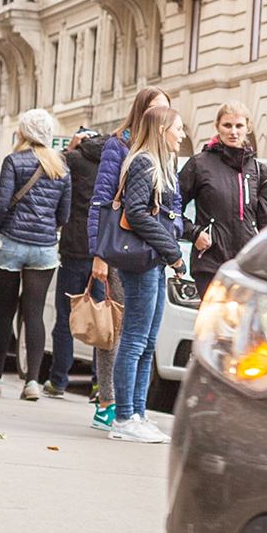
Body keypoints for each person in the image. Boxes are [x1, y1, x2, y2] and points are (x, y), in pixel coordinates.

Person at [96, 104, 188, 443]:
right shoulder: (144, 163)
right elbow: (135, 213)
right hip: (142, 261)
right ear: (162, 130)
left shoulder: (161, 164)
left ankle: (137, 413)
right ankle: (123, 418)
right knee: (135, 340)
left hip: (153, 260)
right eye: (178, 128)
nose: (182, 134)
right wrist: (172, 251)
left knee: (147, 341)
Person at [85, 87, 168, 429]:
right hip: (120, 249)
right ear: (141, 111)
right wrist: (98, 253)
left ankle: (132, 409)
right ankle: (108, 402)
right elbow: (102, 199)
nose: (162, 115)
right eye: (155, 109)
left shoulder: (163, 149)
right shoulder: (118, 145)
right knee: (115, 328)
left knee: (140, 335)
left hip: (147, 251)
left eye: (166, 109)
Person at [0, 108, 72, 399]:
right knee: (34, 314)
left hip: (11, 242)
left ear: (22, 133)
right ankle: (32, 381)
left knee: (4, 311)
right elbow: (64, 215)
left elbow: (0, 203)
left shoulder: (13, 161)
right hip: (44, 249)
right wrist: (45, 229)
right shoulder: (61, 168)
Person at [180, 101, 267, 298]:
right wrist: (194, 233)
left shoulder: (258, 170)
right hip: (210, 264)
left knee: (242, 327)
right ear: (217, 127)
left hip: (247, 267)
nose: (233, 132)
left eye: (239, 126)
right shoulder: (199, 165)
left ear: (247, 128)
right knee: (214, 326)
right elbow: (170, 208)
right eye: (227, 125)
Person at [47, 126, 105, 399]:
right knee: (100, 321)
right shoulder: (111, 162)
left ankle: (58, 381)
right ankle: (98, 383)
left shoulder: (73, 159)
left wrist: (71, 147)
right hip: (102, 253)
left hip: (73, 251)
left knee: (66, 318)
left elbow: (50, 165)